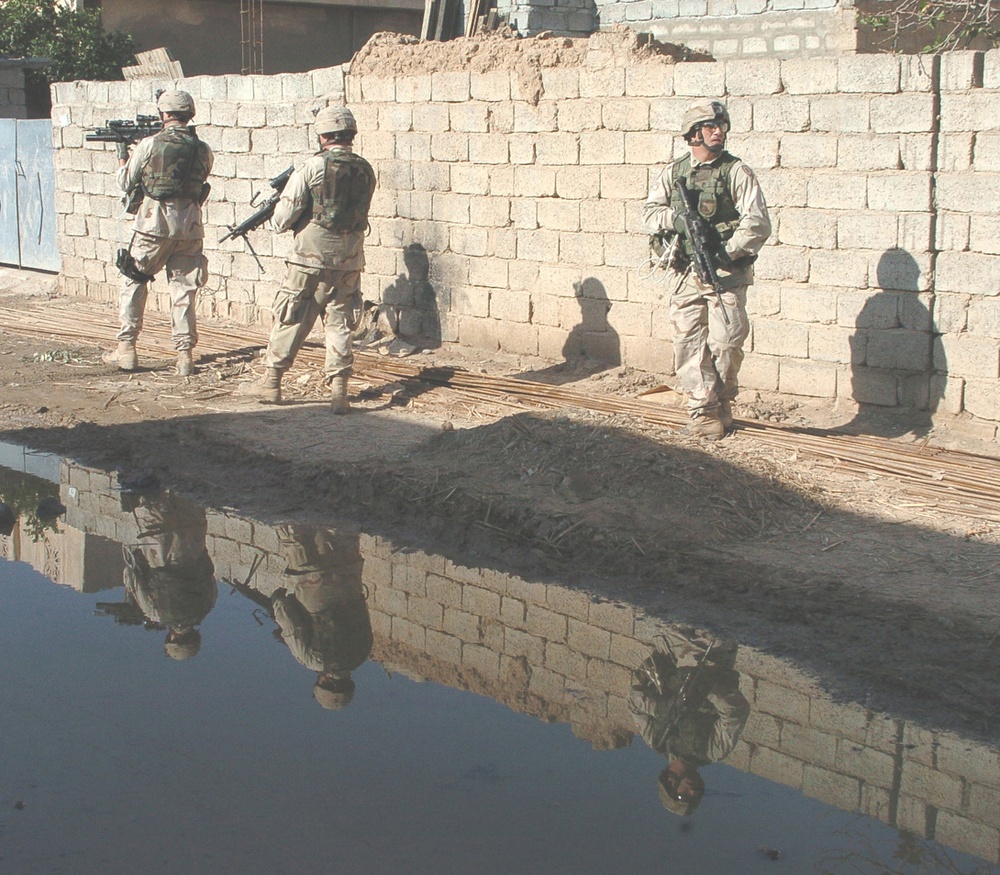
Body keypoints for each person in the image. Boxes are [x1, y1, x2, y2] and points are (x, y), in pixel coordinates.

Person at [642, 100, 771, 440]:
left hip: (725, 273)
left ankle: (722, 399)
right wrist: (677, 220)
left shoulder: (736, 172)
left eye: (722, 126)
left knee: (727, 342)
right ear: (693, 134)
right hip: (686, 272)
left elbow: (757, 223)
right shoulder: (675, 172)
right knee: (687, 341)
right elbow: (649, 212)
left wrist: (724, 254)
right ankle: (703, 412)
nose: (719, 132)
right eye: (711, 126)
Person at [250, 105, 377, 412]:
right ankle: (339, 392)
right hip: (348, 259)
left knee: (292, 316)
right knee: (340, 323)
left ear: (322, 135)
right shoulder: (366, 169)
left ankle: (272, 383)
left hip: (308, 257)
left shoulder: (311, 168)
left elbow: (282, 219)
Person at [103, 89, 214, 377]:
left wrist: (121, 154)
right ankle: (184, 356)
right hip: (190, 227)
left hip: (153, 225)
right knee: (184, 291)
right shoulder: (202, 148)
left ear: (163, 114)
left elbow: (125, 181)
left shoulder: (150, 144)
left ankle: (127, 348)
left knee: (133, 280)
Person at [629, 628, 750, 817]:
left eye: (683, 796)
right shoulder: (712, 751)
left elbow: (633, 701)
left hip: (671, 645)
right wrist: (706, 690)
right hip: (712, 657)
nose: (693, 792)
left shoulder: (655, 739)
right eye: (694, 797)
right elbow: (736, 713)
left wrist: (659, 708)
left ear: (670, 783)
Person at [269, 524, 372, 709]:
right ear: (324, 683)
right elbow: (290, 622)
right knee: (293, 530)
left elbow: (362, 612)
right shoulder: (311, 661)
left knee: (342, 525)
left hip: (349, 580)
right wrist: (277, 600)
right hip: (314, 589)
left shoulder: (363, 653)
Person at [121, 489, 217, 660]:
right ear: (170, 638)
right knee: (148, 483)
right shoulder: (156, 613)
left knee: (184, 482)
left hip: (193, 536)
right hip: (158, 542)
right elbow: (131, 574)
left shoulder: (207, 605)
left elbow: (209, 570)